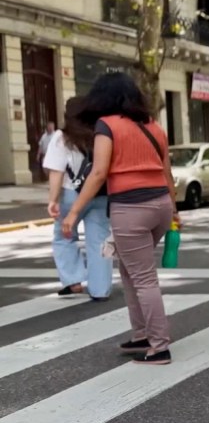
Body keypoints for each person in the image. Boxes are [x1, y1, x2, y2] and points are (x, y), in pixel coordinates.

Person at [62, 72, 179, 366]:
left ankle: (159, 346)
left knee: (142, 277)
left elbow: (99, 172)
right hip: (160, 206)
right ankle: (141, 334)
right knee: (130, 271)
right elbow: (167, 172)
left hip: (131, 208)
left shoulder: (107, 126)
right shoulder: (154, 126)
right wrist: (174, 210)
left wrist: (74, 212)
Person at [43, 97, 113, 299]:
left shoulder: (61, 137)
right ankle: (101, 289)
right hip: (100, 194)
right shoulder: (102, 134)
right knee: (100, 241)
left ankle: (73, 280)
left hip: (71, 194)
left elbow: (56, 172)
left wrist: (53, 200)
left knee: (64, 237)